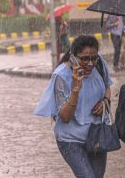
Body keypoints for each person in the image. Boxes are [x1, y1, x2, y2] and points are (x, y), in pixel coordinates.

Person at [34, 35, 113, 178]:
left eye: (93, 58)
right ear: (73, 57)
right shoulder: (61, 76)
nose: (90, 63)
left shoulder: (100, 64)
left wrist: (105, 101)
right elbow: (64, 117)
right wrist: (76, 89)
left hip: (96, 135)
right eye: (84, 59)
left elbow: (107, 86)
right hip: (70, 140)